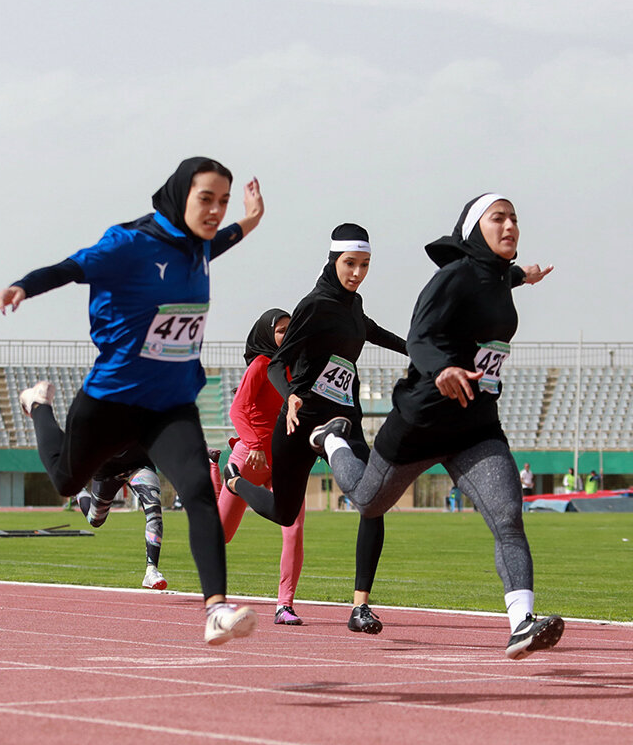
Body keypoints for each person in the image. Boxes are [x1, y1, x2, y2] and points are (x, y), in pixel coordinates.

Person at [0, 156, 265, 645]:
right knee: (66, 480)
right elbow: (70, 267)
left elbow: (225, 238)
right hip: (112, 400)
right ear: (179, 196)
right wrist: (23, 286)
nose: (216, 211)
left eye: (223, 201)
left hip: (170, 406)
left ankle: (216, 609)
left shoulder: (198, 247)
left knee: (199, 490)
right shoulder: (128, 243)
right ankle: (38, 406)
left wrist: (250, 218)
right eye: (207, 199)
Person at [310, 193, 562, 659]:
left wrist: (525, 276)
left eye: (514, 219)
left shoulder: (496, 276)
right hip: (422, 420)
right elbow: (420, 336)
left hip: (476, 424)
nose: (510, 226)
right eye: (498, 218)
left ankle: (521, 622)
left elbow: (503, 275)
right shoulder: (453, 277)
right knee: (367, 501)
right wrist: (443, 368)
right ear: (472, 229)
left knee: (507, 517)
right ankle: (332, 443)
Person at [221, 224, 407, 635]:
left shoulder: (353, 306)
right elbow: (274, 362)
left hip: (343, 415)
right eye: (350, 264)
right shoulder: (313, 305)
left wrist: (422, 351)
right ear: (333, 260)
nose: (357, 273)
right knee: (284, 512)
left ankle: (360, 608)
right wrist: (289, 396)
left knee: (371, 500)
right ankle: (235, 484)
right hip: (300, 418)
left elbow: (376, 334)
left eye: (365, 265)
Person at [211, 308, 309, 625]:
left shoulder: (298, 368)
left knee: (293, 528)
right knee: (220, 535)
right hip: (249, 459)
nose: (287, 334)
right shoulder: (260, 365)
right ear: (268, 334)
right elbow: (238, 408)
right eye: (281, 330)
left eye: (290, 329)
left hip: (284, 460)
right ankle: (218, 473)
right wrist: (252, 444)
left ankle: (285, 604)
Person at [74, 448, 169, 590]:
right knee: (95, 520)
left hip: (139, 464)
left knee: (154, 510)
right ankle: (78, 491)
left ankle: (151, 570)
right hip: (106, 471)